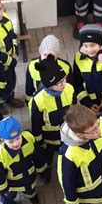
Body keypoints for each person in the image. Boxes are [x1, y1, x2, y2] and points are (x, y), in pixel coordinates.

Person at [58, 104, 102, 204]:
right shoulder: (69, 155)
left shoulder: (93, 132)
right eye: (94, 130)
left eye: (97, 125)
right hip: (79, 194)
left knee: (86, 203)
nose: (99, 130)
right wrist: (72, 202)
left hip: (93, 183)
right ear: (80, 136)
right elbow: (68, 182)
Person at [29, 54, 76, 182]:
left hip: (67, 133)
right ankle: (47, 169)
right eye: (58, 83)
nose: (63, 84)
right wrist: (39, 141)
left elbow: (75, 107)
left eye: (64, 79)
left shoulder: (70, 89)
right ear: (48, 84)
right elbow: (36, 123)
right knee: (47, 157)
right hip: (48, 138)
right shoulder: (38, 100)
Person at [0, 116, 46, 204]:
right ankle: (6, 202)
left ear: (21, 132)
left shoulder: (29, 137)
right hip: (11, 183)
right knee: (10, 195)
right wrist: (4, 189)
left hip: (29, 175)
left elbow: (37, 155)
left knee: (30, 188)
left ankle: (31, 195)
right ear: (3, 139)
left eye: (18, 138)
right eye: (11, 141)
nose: (16, 143)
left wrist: (41, 168)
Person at [25, 34, 72, 103]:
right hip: (40, 100)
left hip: (59, 99)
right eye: (45, 54)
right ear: (40, 52)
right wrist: (29, 100)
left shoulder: (65, 66)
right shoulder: (32, 65)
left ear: (57, 55)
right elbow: (29, 84)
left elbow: (70, 85)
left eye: (51, 56)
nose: (47, 58)